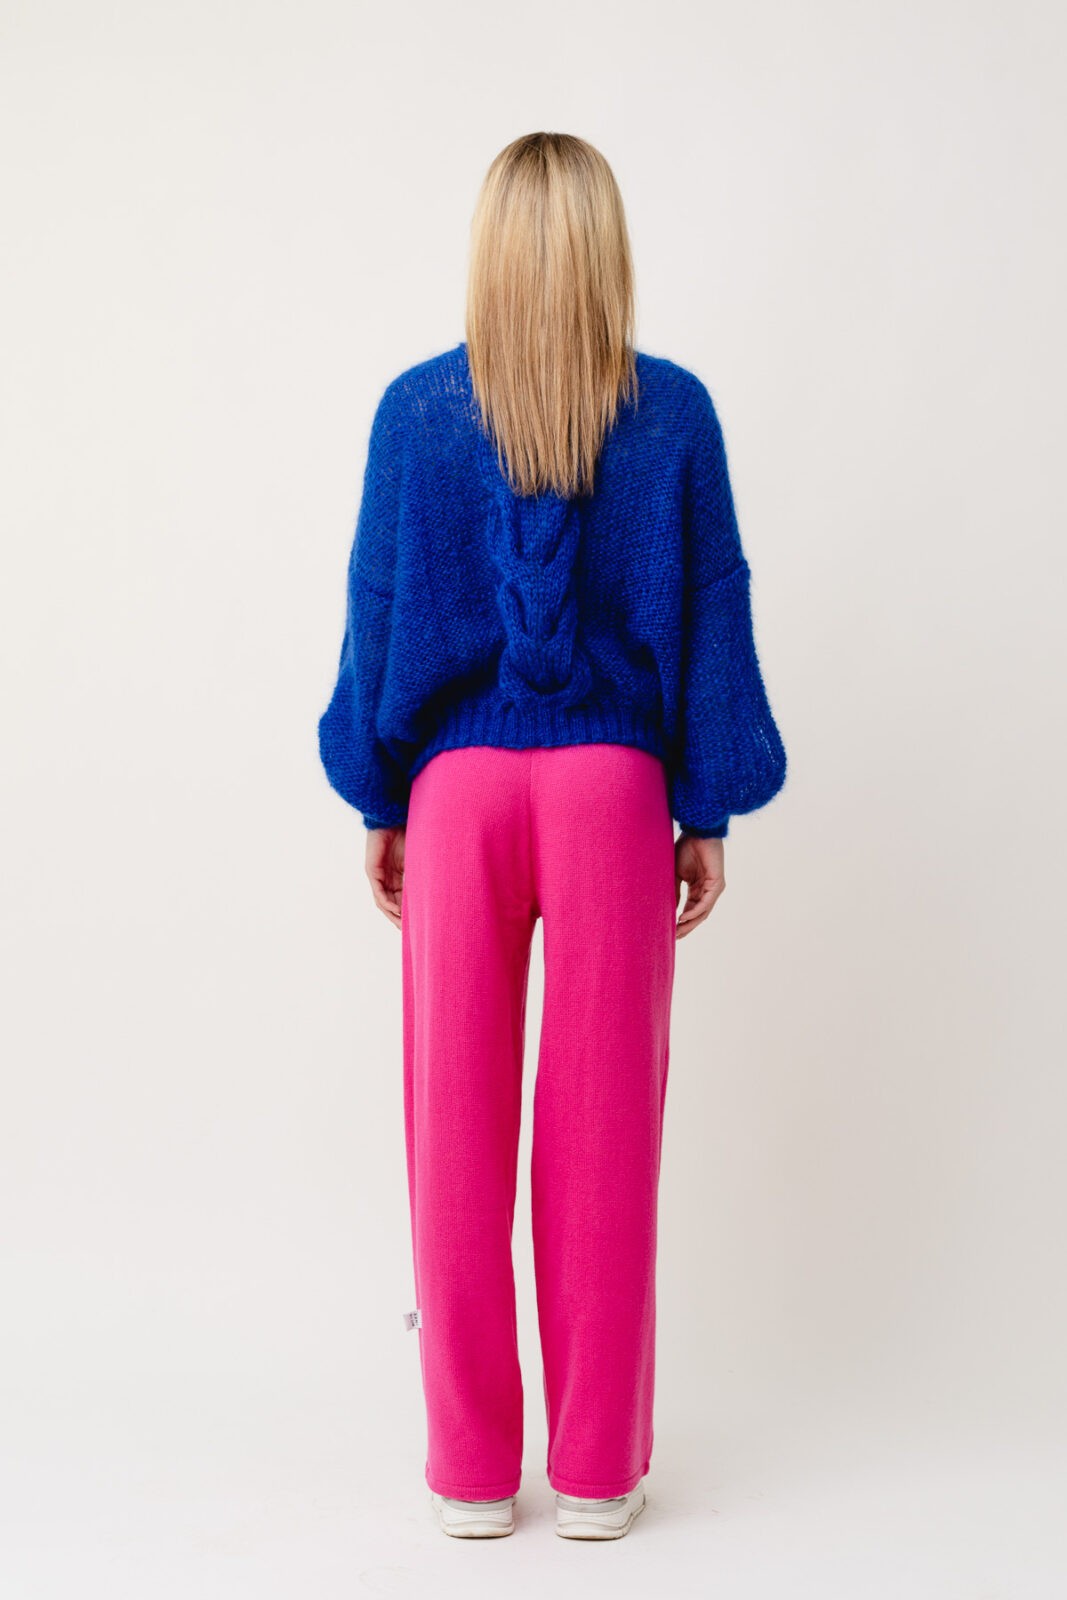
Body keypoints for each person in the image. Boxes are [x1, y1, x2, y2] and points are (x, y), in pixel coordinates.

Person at [317, 130, 787, 1542]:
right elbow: (710, 616)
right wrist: (704, 811)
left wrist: (383, 799)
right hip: (610, 799)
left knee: (451, 1138)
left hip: (457, 799)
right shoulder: (674, 413)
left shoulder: (416, 414)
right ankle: (593, 1474)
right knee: (603, 1138)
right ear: (606, 251)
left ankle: (470, 1474)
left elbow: (378, 613)